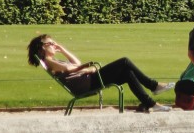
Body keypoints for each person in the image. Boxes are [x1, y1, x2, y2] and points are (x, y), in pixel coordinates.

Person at [27, 34, 174, 113]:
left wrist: (63, 49)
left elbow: (75, 63)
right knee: (124, 61)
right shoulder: (48, 61)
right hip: (88, 83)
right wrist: (86, 67)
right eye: (50, 44)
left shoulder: (54, 60)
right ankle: (153, 86)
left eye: (54, 43)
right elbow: (70, 69)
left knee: (128, 73)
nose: (54, 45)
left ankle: (149, 103)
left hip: (89, 80)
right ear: (42, 49)